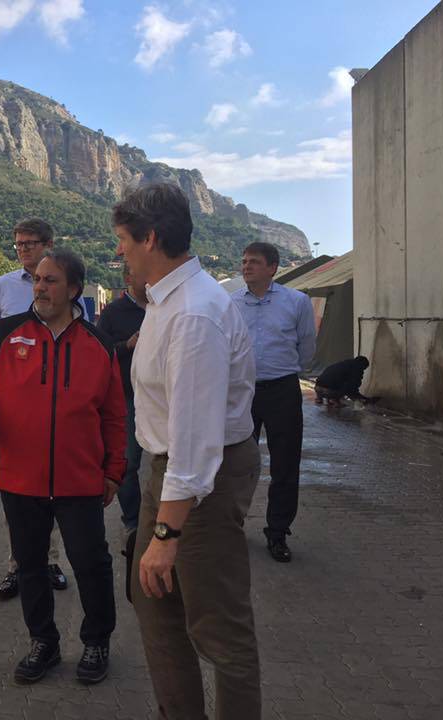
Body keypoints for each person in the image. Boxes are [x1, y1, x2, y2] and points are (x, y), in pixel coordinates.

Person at [115, 183, 262, 720]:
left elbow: (196, 444)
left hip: (200, 481)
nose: (119, 252)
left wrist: (166, 535)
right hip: (169, 474)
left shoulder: (194, 313)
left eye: (124, 241)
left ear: (150, 238)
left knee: (218, 628)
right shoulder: (166, 300)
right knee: (155, 611)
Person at [0, 249, 126, 686]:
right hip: (20, 478)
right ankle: (44, 643)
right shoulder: (5, 334)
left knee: (90, 563)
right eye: (37, 280)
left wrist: (114, 470)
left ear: (73, 289)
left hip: (80, 479)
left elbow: (114, 415)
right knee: (30, 565)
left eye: (51, 280)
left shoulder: (98, 345)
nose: (39, 287)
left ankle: (96, 641)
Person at [0, 218, 76, 599]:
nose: (24, 249)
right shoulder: (2, 287)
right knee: (17, 489)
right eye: (18, 244)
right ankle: (19, 564)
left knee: (53, 485)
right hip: (14, 406)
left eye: (31, 243)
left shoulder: (67, 284)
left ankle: (50, 561)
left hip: (56, 405)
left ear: (49, 243)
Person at [232, 242, 316, 563]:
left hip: (282, 391)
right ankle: (231, 524)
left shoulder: (297, 302)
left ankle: (277, 531)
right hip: (242, 392)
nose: (246, 266)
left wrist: (290, 371)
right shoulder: (231, 303)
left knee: (285, 463)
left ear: (273, 267)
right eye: (244, 261)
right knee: (237, 462)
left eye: (254, 261)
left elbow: (307, 347)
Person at [96, 267, 147, 537]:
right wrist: (127, 345)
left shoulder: (163, 307)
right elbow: (99, 353)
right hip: (127, 397)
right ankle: (134, 523)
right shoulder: (113, 313)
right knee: (128, 465)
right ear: (128, 278)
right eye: (143, 274)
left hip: (161, 398)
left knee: (172, 461)